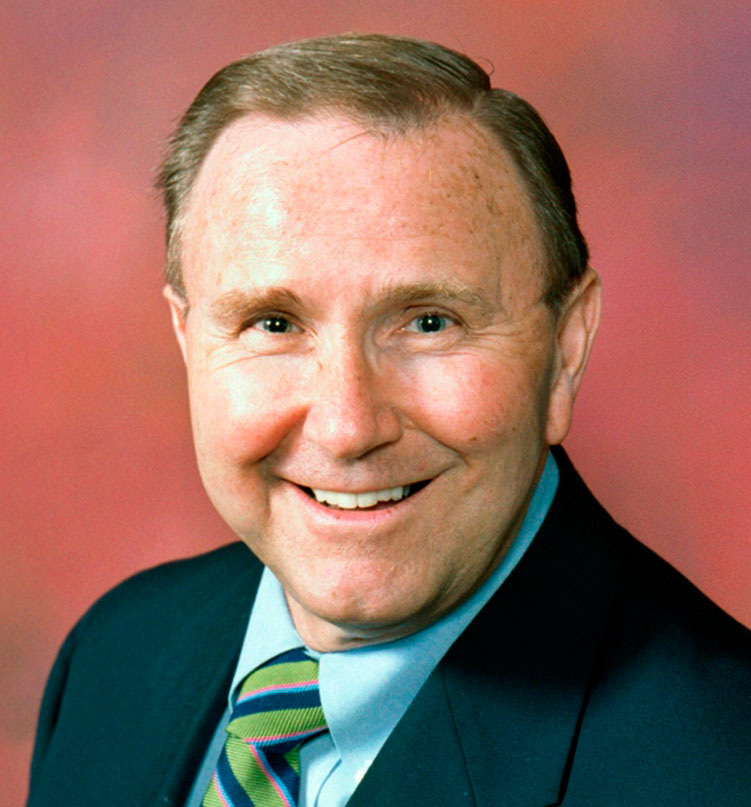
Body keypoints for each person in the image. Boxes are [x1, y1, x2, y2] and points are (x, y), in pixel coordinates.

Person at [27, 34, 751, 807]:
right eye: (273, 323)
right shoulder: (112, 657)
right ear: (187, 337)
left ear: (565, 347)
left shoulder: (718, 766)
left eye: (429, 322)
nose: (347, 426)